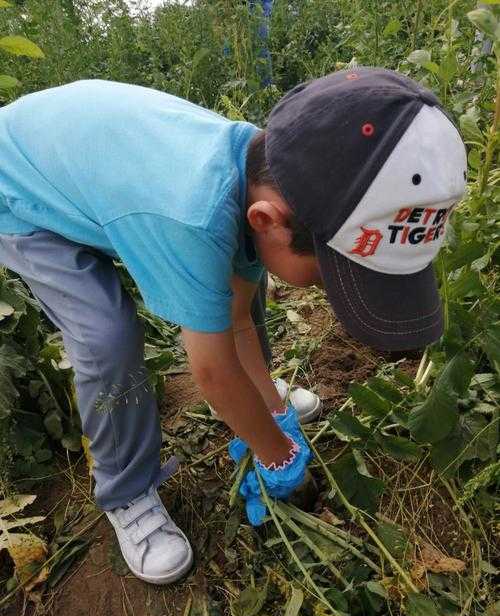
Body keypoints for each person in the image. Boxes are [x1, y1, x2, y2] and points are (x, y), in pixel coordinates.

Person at [0, 67, 466, 585]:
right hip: (22, 188)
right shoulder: (192, 216)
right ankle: (126, 492)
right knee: (107, 335)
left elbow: (237, 318)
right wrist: (277, 454)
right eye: (328, 275)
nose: (323, 291)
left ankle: (264, 399)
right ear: (267, 220)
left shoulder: (267, 174)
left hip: (94, 167)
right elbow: (214, 372)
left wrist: (270, 413)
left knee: (239, 295)